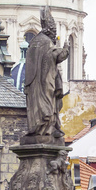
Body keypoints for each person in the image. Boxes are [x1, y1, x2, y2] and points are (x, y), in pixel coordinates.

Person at [23, 8, 68, 144]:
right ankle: (46, 128)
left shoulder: (36, 41)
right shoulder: (45, 42)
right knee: (48, 106)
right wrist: (65, 50)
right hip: (44, 82)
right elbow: (54, 56)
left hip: (36, 82)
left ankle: (44, 127)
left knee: (47, 105)